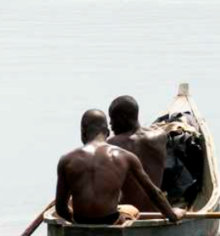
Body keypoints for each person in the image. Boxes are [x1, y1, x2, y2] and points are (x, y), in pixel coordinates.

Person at [55, 109, 183, 225]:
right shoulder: (126, 156)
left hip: (80, 222)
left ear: (83, 132)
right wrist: (172, 215)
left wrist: (75, 221)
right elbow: (153, 192)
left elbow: (60, 208)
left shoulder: (66, 160)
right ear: (107, 133)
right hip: (112, 221)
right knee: (131, 210)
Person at [107, 95, 168, 212]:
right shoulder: (161, 136)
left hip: (128, 213)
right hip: (155, 211)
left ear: (124, 118)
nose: (111, 124)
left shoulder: (112, 143)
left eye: (113, 119)